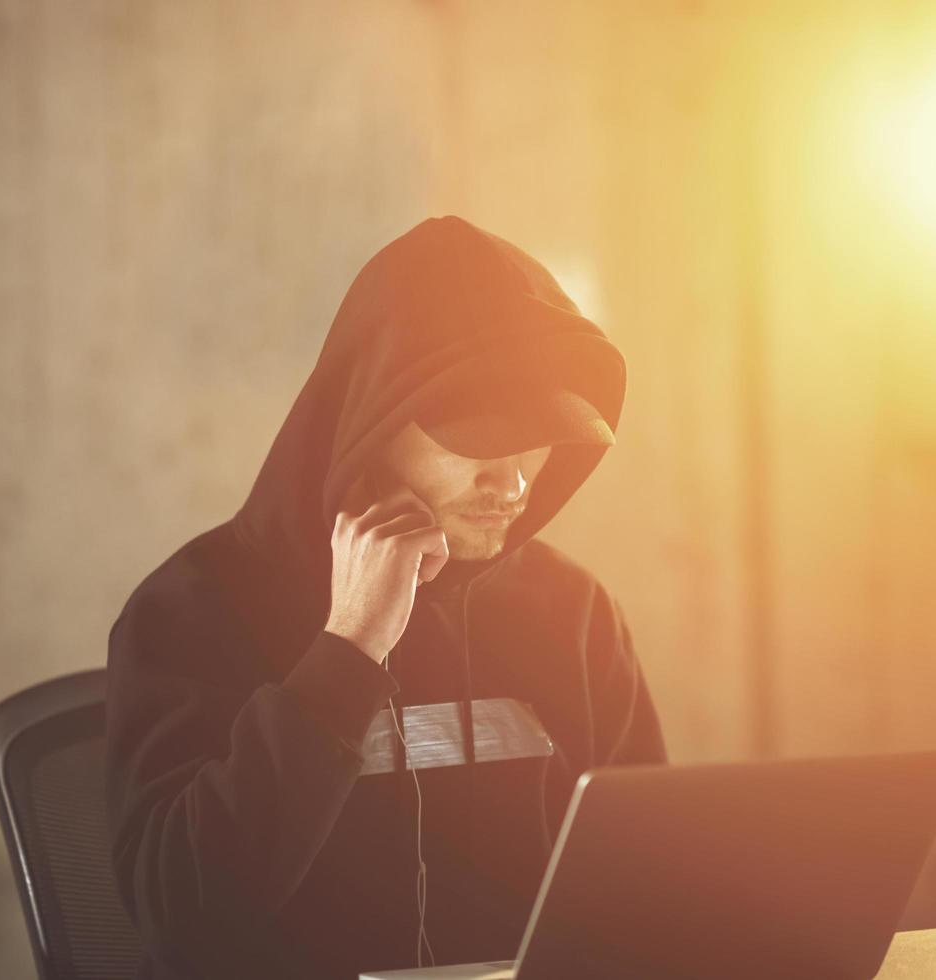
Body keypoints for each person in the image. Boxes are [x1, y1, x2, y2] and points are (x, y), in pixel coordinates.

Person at [103, 215, 666, 980]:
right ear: (368, 424)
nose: (515, 484)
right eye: (478, 442)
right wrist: (349, 646)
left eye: (538, 438)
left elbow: (656, 883)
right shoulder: (191, 611)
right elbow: (182, 922)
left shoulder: (571, 611)